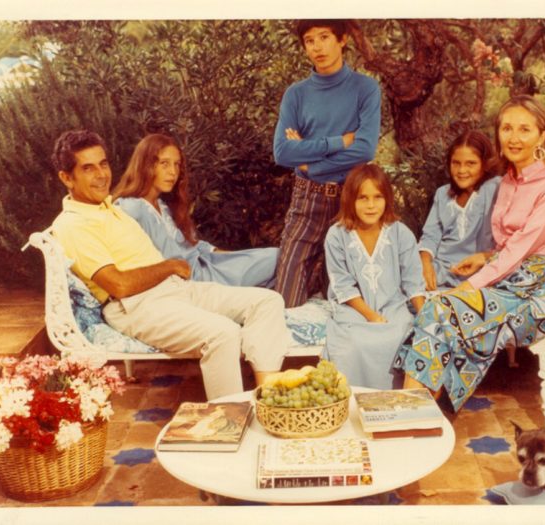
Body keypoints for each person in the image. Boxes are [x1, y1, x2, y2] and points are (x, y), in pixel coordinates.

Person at [50, 130, 290, 399]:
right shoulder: (74, 224)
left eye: (103, 164)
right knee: (223, 333)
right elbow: (118, 285)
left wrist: (175, 271)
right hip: (136, 305)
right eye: (88, 168)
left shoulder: (109, 207)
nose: (101, 174)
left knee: (267, 302)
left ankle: (268, 396)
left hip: (173, 290)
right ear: (66, 177)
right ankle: (228, 418)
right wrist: (170, 267)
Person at [393, 95, 545, 412]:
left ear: (542, 135)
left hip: (535, 297)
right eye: (506, 128)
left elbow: (523, 249)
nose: (513, 137)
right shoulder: (509, 180)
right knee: (438, 309)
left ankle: (412, 411)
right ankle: (415, 409)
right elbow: (510, 246)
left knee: (441, 309)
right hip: (506, 281)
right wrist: (486, 257)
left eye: (523, 129)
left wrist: (470, 286)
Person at [273, 19, 381, 307]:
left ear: (342, 39)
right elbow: (283, 153)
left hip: (352, 199)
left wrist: (310, 163)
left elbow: (364, 149)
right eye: (310, 40)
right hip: (307, 199)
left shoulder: (365, 89)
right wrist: (339, 142)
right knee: (286, 299)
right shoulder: (296, 94)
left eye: (324, 37)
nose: (317, 46)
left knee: (353, 298)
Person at [112, 133, 278, 288]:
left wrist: (231, 258)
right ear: (145, 165)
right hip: (196, 281)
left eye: (177, 165)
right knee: (278, 260)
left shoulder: (163, 207)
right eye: (164, 164)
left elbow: (194, 245)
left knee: (277, 256)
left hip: (208, 264)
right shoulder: (131, 207)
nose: (173, 172)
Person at [324, 164, 426, 390]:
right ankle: (354, 402)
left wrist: (425, 316)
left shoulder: (400, 232)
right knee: (352, 344)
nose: (371, 205)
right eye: (363, 198)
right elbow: (342, 285)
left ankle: (394, 403)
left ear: (387, 199)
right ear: (350, 200)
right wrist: (370, 315)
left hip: (393, 306)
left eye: (377, 197)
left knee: (402, 335)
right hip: (354, 309)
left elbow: (413, 280)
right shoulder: (336, 235)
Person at [418, 130, 501, 291]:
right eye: (456, 163)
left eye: (471, 163)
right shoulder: (443, 194)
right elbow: (430, 236)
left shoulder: (495, 188)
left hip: (478, 275)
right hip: (440, 273)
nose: (462, 170)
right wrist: (425, 263)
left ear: (485, 164)